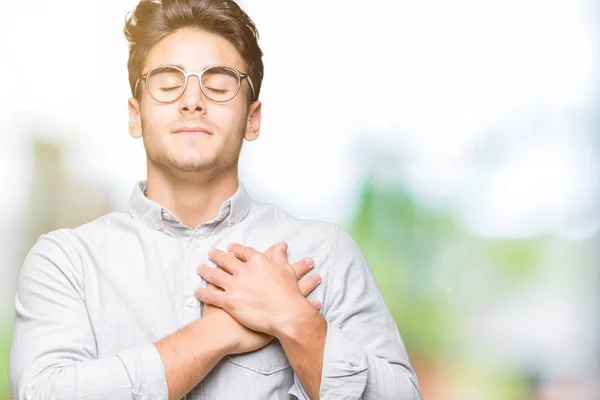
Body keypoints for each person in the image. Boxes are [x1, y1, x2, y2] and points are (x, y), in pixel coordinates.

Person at [8, 0, 422, 399]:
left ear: (252, 119)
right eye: (168, 85)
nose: (192, 101)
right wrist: (215, 335)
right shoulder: (66, 263)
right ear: (135, 115)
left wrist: (297, 321)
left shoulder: (324, 255)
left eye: (219, 85)